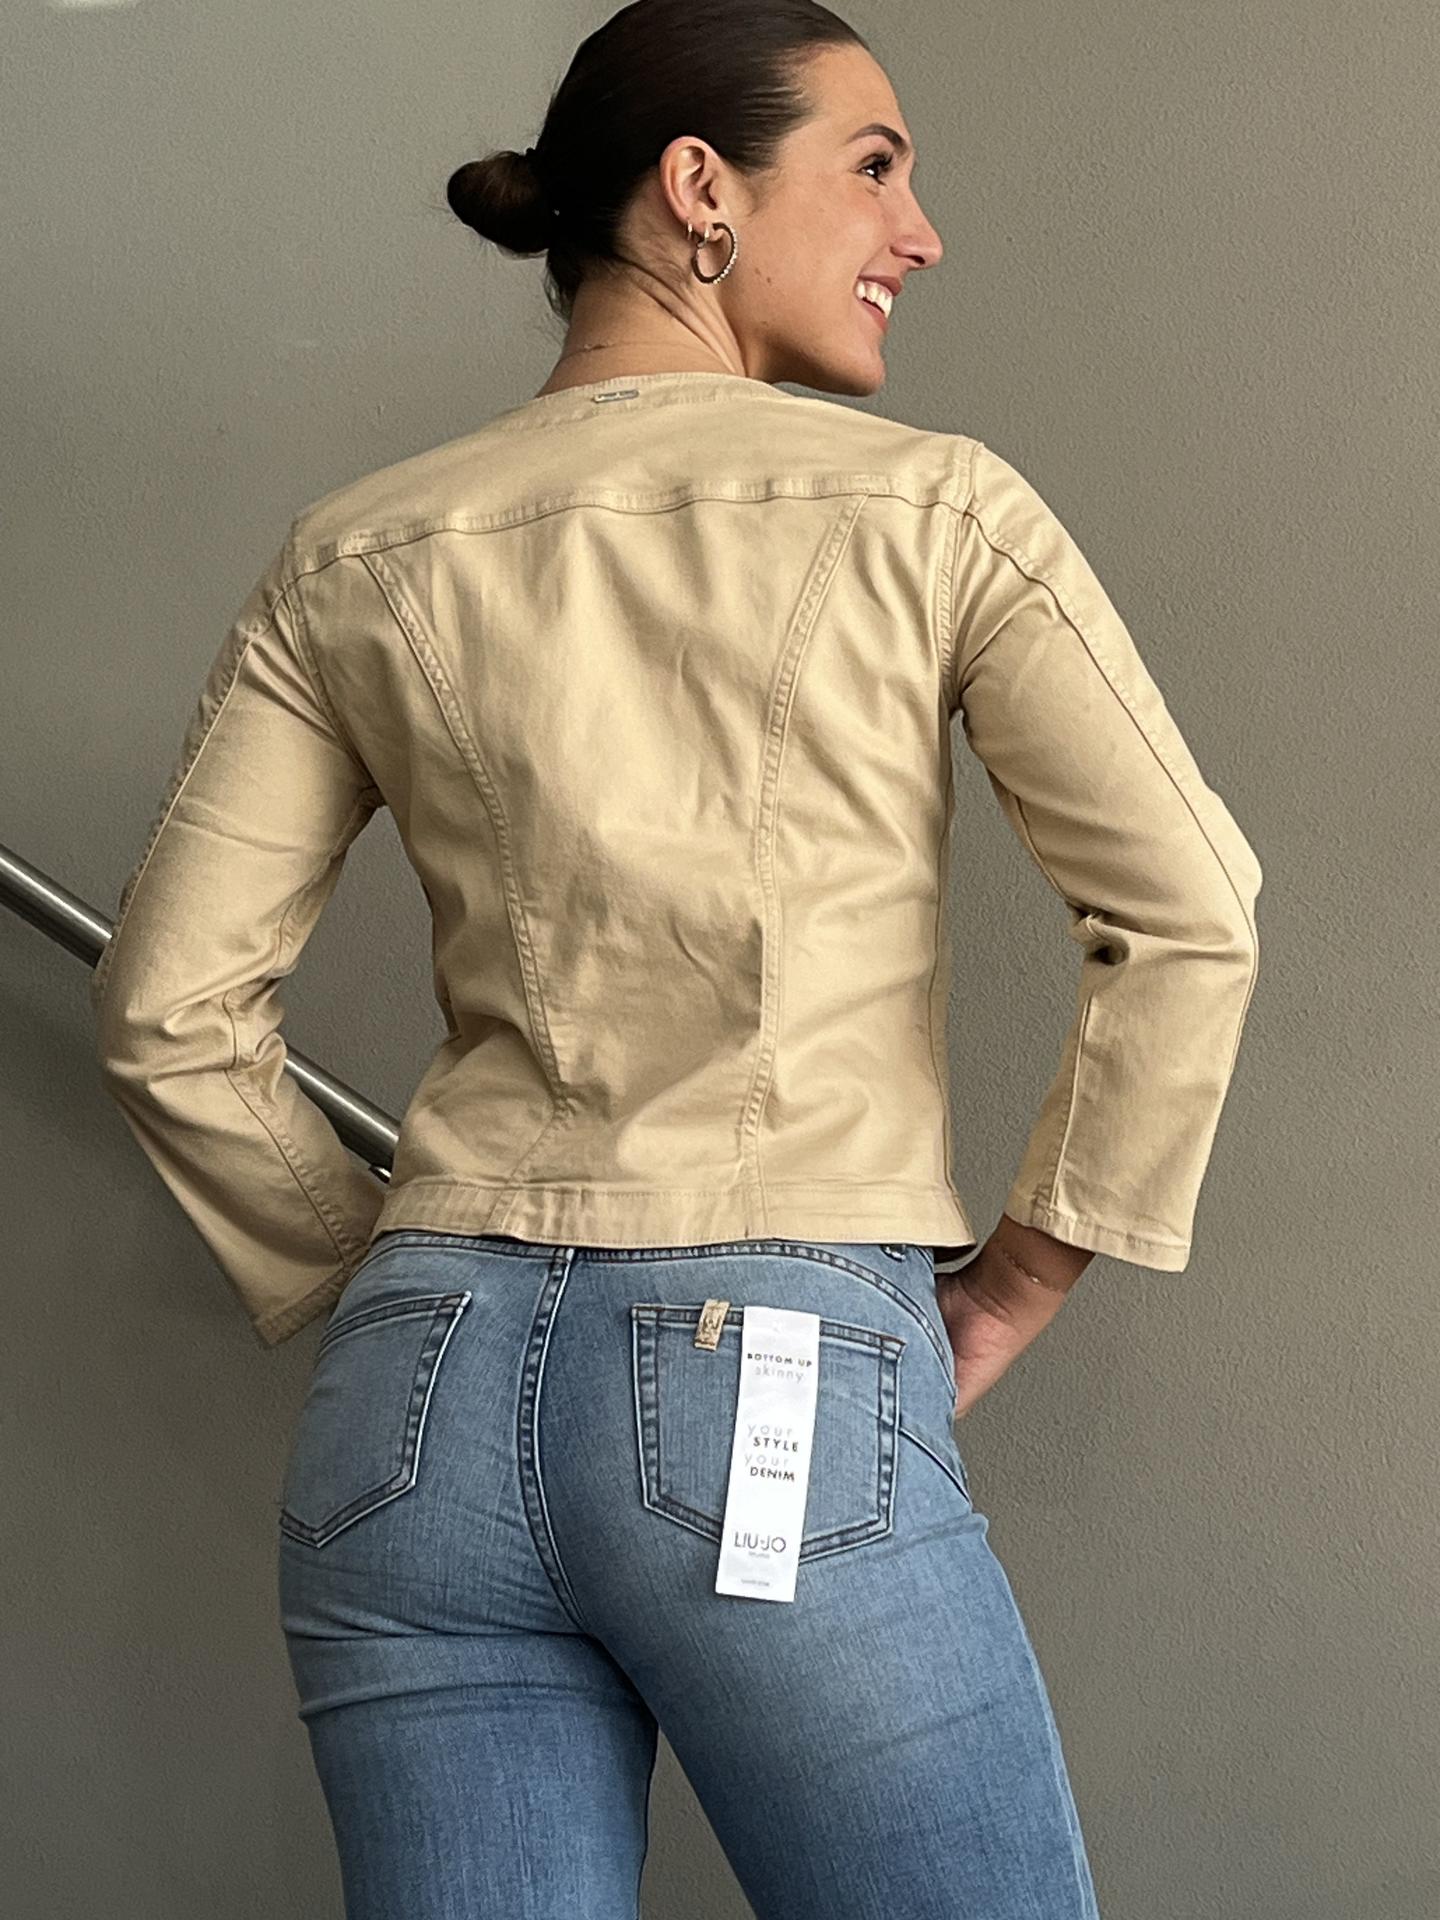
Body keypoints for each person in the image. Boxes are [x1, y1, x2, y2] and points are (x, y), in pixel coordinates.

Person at [89, 2, 1262, 1913]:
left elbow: (166, 1011)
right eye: (875, 166)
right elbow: (1190, 912)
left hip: (412, 1398)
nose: (921, 231)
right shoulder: (934, 509)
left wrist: (374, 1283)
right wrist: (1020, 1278)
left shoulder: (356, 554)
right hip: (774, 1359)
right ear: (701, 188)